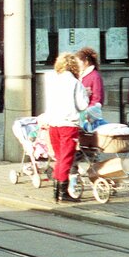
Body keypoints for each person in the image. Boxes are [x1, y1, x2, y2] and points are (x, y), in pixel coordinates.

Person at [44, 53, 88, 203]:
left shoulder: (52, 80)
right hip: (68, 124)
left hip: (53, 124)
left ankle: (56, 190)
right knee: (66, 158)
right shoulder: (75, 83)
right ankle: (63, 192)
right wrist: (87, 95)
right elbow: (82, 105)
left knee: (59, 158)